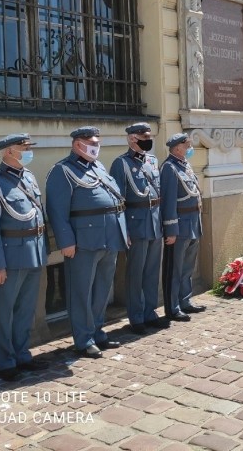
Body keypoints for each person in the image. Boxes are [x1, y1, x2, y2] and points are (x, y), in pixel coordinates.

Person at [46, 127, 128, 359]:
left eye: (97, 142)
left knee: (102, 289)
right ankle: (83, 339)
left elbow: (114, 202)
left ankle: (97, 331)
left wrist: (122, 232)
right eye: (90, 142)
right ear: (77, 144)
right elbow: (57, 211)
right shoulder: (62, 171)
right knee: (81, 292)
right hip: (83, 242)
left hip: (109, 239)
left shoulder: (98, 167)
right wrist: (66, 241)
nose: (95, 146)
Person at [0, 133, 48, 381]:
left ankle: (22, 355)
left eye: (29, 147)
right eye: (23, 147)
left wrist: (43, 250)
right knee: (5, 312)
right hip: (9, 257)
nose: (28, 151)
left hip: (33, 253)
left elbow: (38, 215)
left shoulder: (28, 177)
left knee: (26, 310)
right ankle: (5, 362)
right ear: (8, 152)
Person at [110, 123, 171, 335]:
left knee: (152, 271)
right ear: (131, 139)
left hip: (154, 221)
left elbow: (159, 194)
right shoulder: (121, 164)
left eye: (149, 135)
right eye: (143, 136)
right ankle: (136, 317)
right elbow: (118, 200)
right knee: (136, 272)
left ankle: (150, 312)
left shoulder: (152, 161)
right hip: (135, 223)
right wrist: (123, 229)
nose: (148, 139)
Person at [160, 133, 207, 317]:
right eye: (187, 146)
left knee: (187, 267)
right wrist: (170, 229)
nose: (190, 149)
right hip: (179, 225)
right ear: (178, 148)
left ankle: (185, 300)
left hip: (193, 223)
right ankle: (173, 307)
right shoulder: (169, 168)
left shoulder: (184, 165)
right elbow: (169, 202)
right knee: (175, 268)